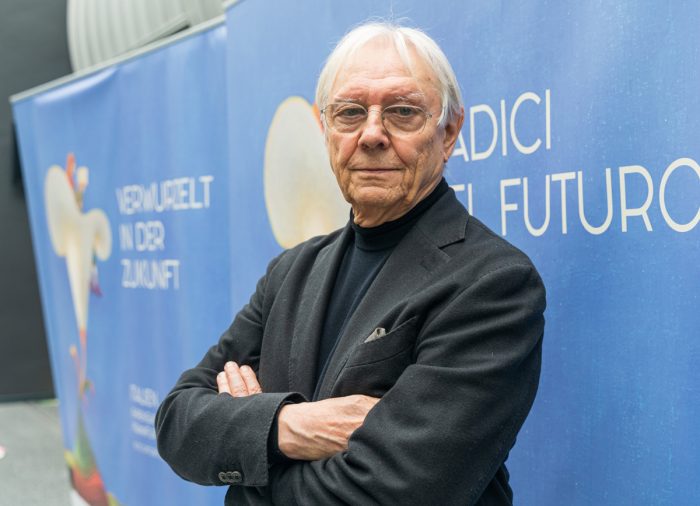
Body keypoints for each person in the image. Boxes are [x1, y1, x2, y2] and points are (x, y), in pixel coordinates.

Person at [155, 21, 546, 506]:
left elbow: (397, 492)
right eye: (350, 112)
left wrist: (248, 462)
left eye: (403, 112)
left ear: (448, 133)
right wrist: (288, 425)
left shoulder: (492, 283)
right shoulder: (290, 274)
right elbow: (178, 422)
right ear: (325, 130)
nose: (372, 134)